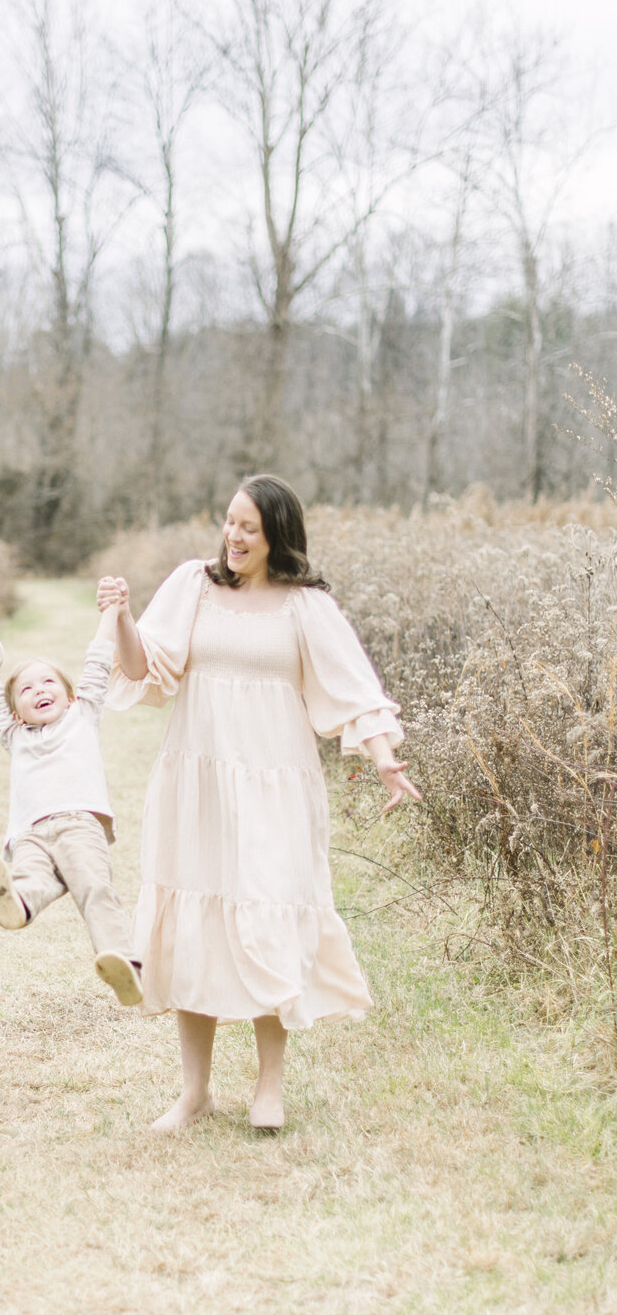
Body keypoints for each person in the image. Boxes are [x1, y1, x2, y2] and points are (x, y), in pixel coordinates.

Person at [100, 474, 420, 1134]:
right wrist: (122, 616)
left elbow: (355, 691)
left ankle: (268, 1088)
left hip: (276, 784)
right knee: (195, 921)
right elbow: (141, 667)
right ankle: (194, 1093)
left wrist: (386, 760)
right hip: (199, 783)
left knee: (269, 915)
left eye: (248, 526)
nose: (234, 536)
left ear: (276, 533)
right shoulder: (195, 585)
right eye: (228, 522)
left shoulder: (306, 607)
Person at [0, 602, 142, 1008]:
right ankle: (20, 905)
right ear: (17, 711)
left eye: (47, 683)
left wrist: (112, 612)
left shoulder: (82, 715)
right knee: (31, 879)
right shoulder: (16, 736)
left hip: (79, 824)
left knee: (94, 890)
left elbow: (98, 661)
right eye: (26, 690)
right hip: (29, 833)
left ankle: (126, 966)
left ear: (70, 695)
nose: (38, 691)